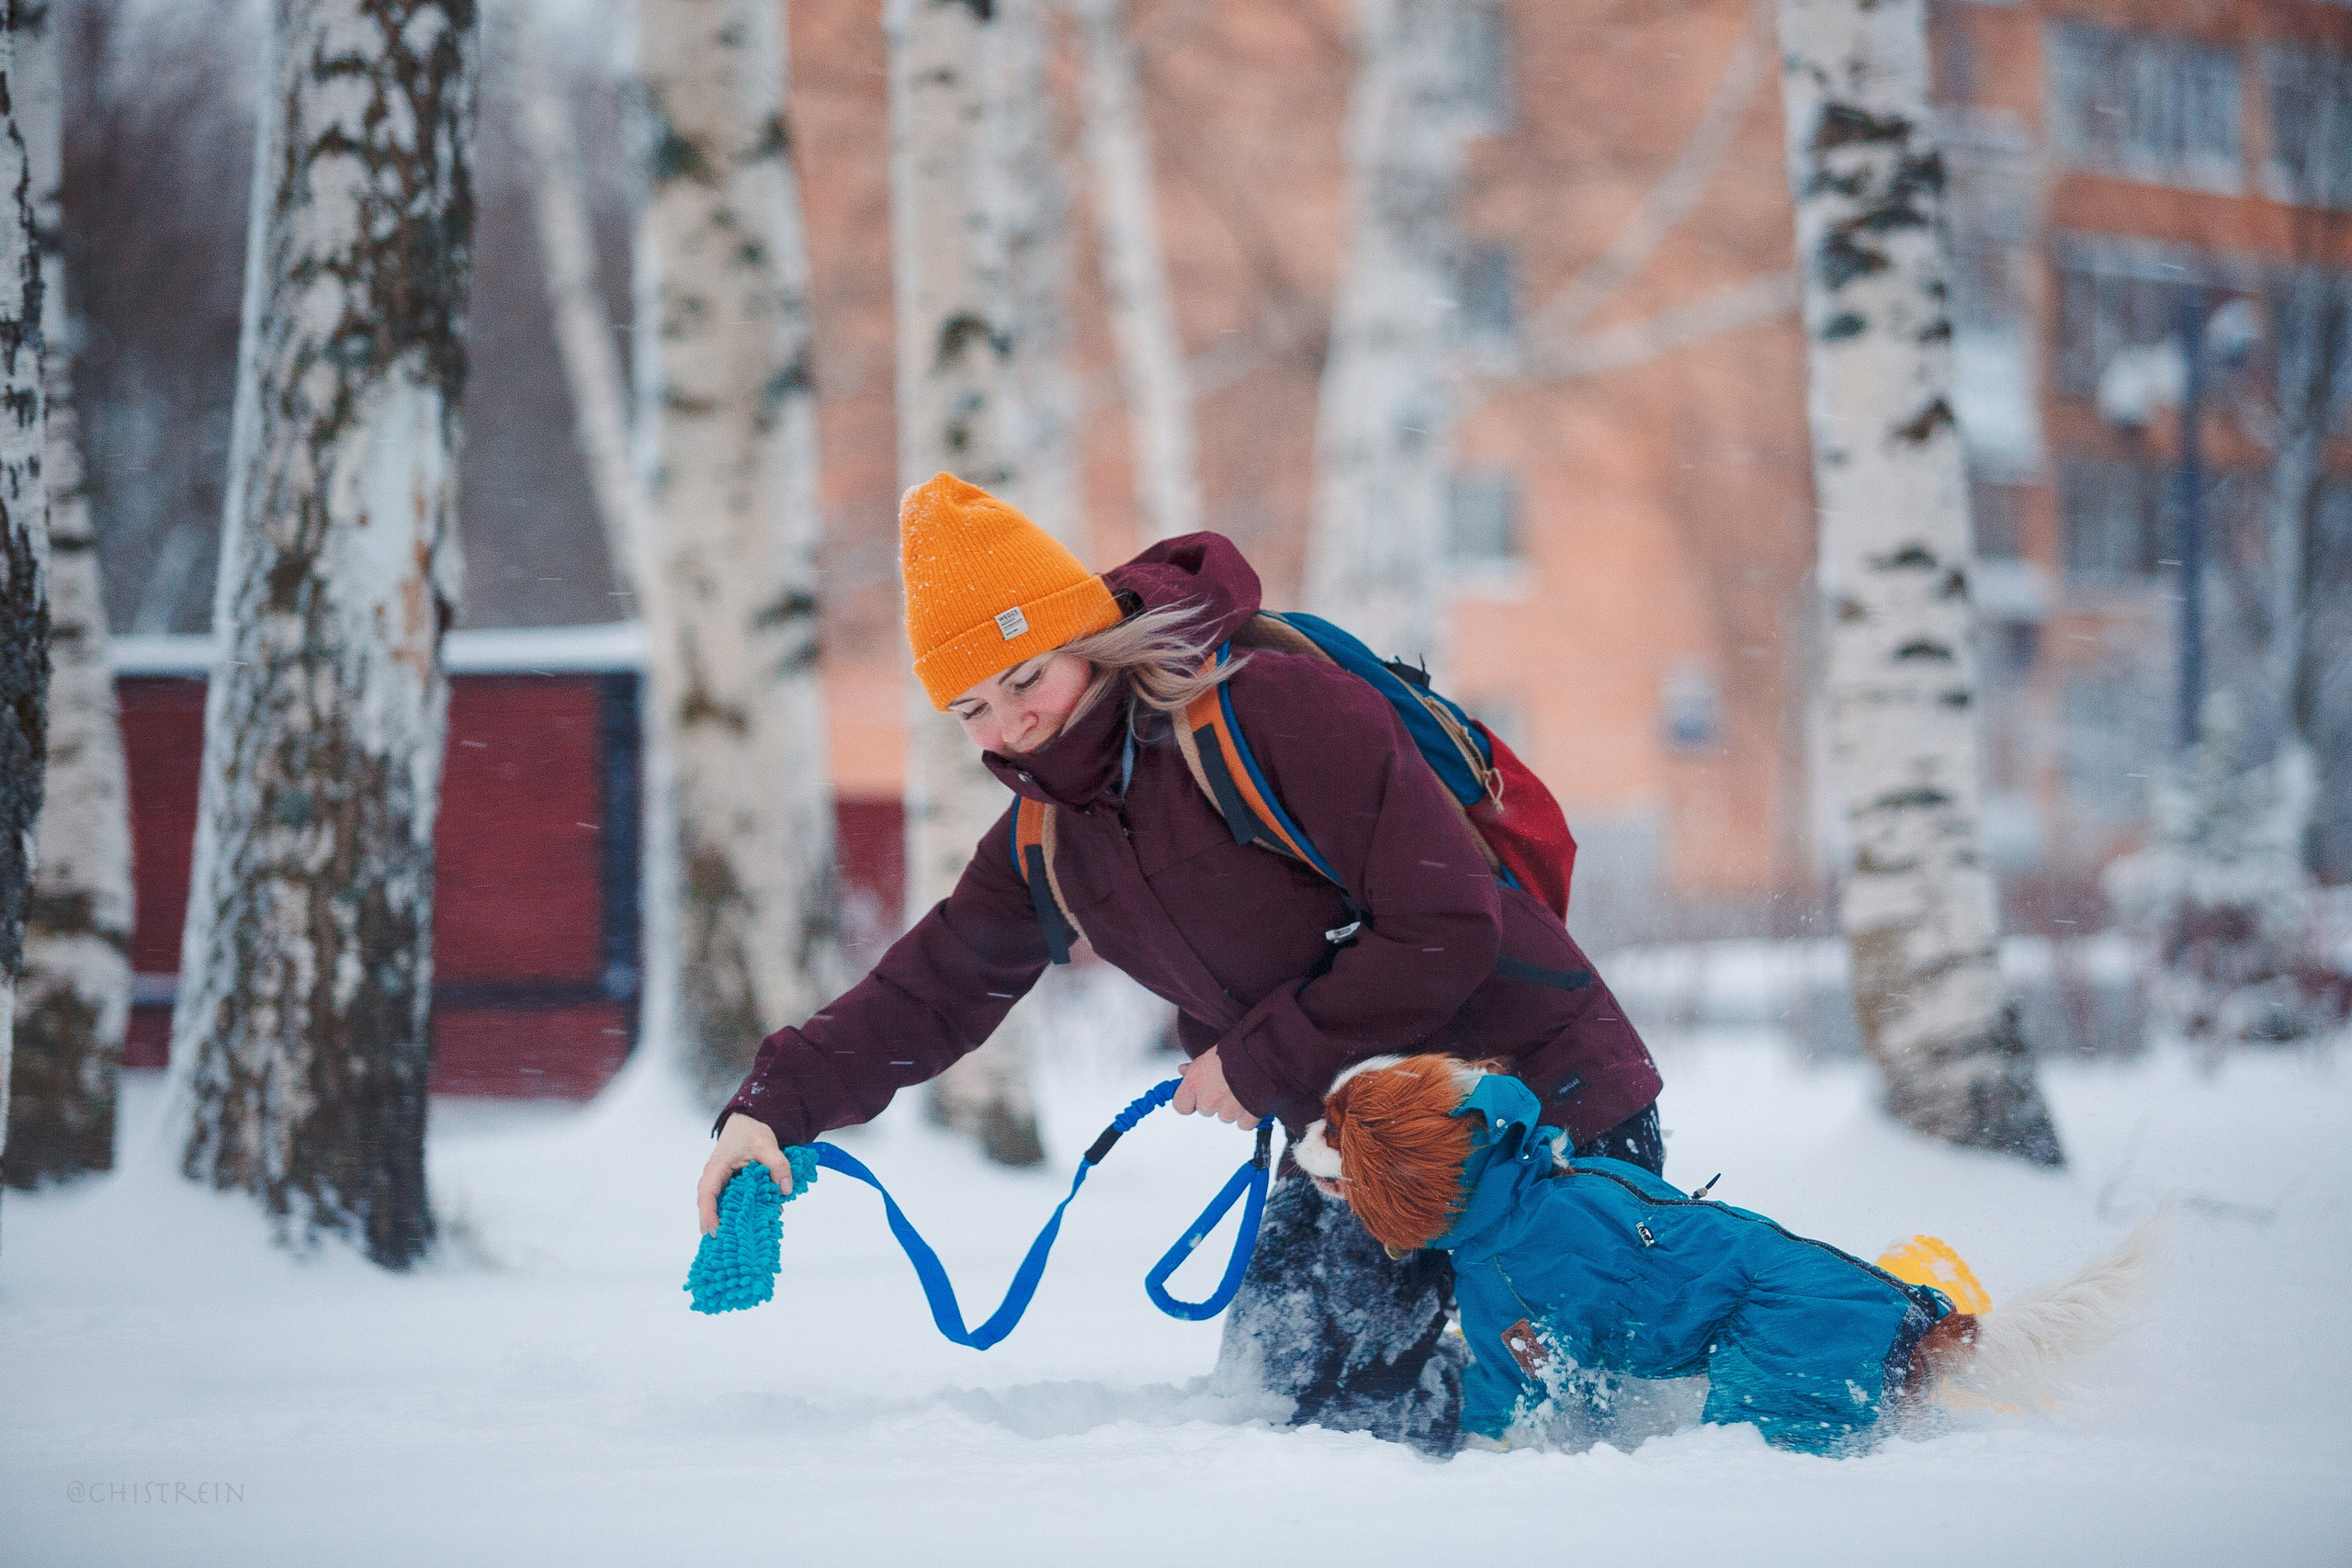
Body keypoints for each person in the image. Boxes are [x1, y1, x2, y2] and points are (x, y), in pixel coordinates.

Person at [697, 474, 1665, 1451]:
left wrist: (1257, 1061)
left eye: (1026, 678)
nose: (1009, 725)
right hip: (1360, 1144)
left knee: (1587, 1422)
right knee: (1289, 1410)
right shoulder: (1047, 833)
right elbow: (934, 986)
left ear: (1086, 640)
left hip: (1540, 1098)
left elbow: (1446, 925)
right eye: (971, 708)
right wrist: (772, 1108)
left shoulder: (1271, 713)